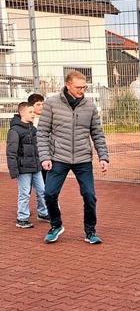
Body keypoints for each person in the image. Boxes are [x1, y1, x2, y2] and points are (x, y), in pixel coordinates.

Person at [37, 70, 109, 244]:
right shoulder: (52, 103)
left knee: (89, 195)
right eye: (78, 87)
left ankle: (90, 232)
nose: (82, 90)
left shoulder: (89, 105)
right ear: (68, 85)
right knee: (49, 194)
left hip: (83, 159)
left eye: (84, 87)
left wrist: (103, 157)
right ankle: (56, 225)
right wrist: (45, 157)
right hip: (58, 157)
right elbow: (42, 132)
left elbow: (97, 133)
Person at [6, 102, 49, 228]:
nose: (33, 114)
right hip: (23, 169)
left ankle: (43, 213)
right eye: (30, 112)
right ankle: (22, 218)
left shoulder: (33, 129)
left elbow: (38, 148)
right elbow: (11, 152)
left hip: (36, 167)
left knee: (42, 191)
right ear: (22, 113)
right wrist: (13, 170)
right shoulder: (14, 131)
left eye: (33, 112)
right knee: (25, 193)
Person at [28, 93, 47, 182]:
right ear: (31, 106)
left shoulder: (48, 119)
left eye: (43, 104)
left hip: (45, 155)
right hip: (32, 157)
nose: (41, 107)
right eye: (38, 104)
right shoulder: (26, 121)